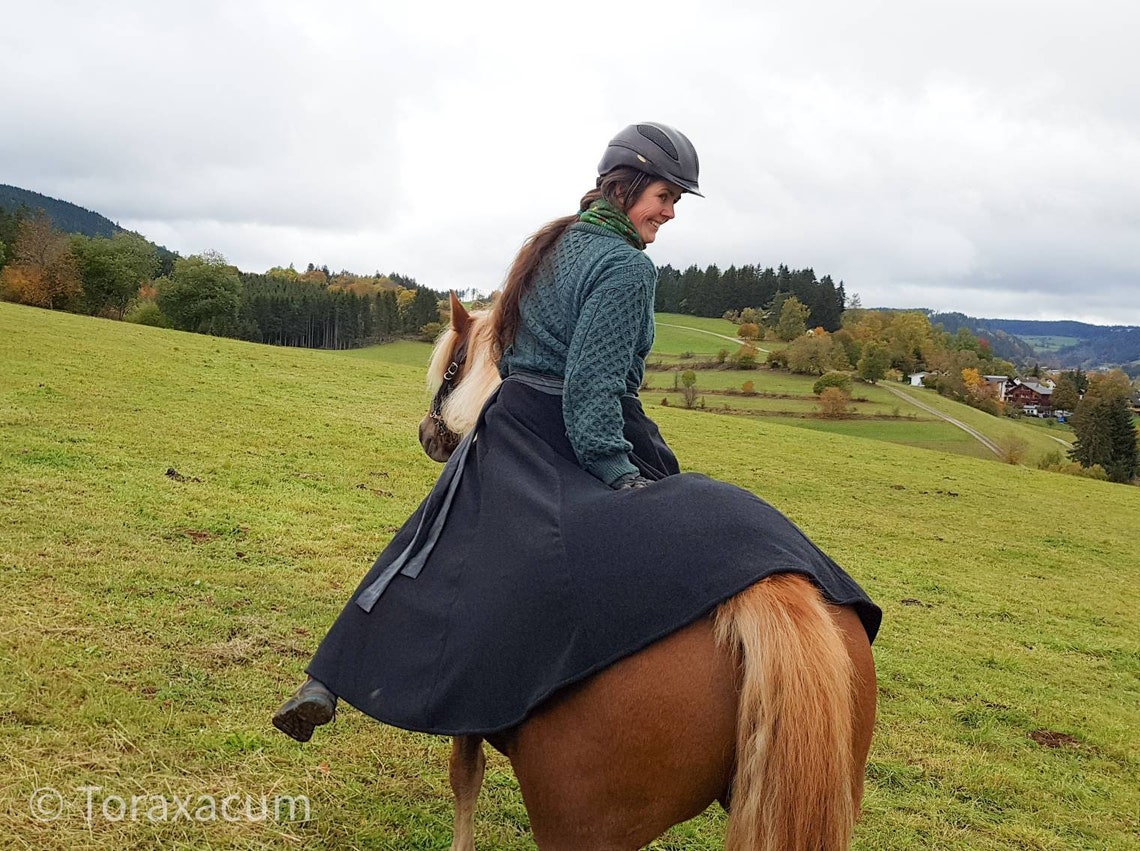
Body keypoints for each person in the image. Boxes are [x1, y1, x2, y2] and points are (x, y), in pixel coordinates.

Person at [273, 122, 880, 743]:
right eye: (665, 197)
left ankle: (328, 678)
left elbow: (507, 345)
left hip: (510, 422)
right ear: (626, 188)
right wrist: (618, 471)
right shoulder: (626, 270)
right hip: (580, 428)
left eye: (674, 200)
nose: (670, 213)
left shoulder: (552, 242)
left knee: (430, 539)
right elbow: (594, 388)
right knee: (681, 532)